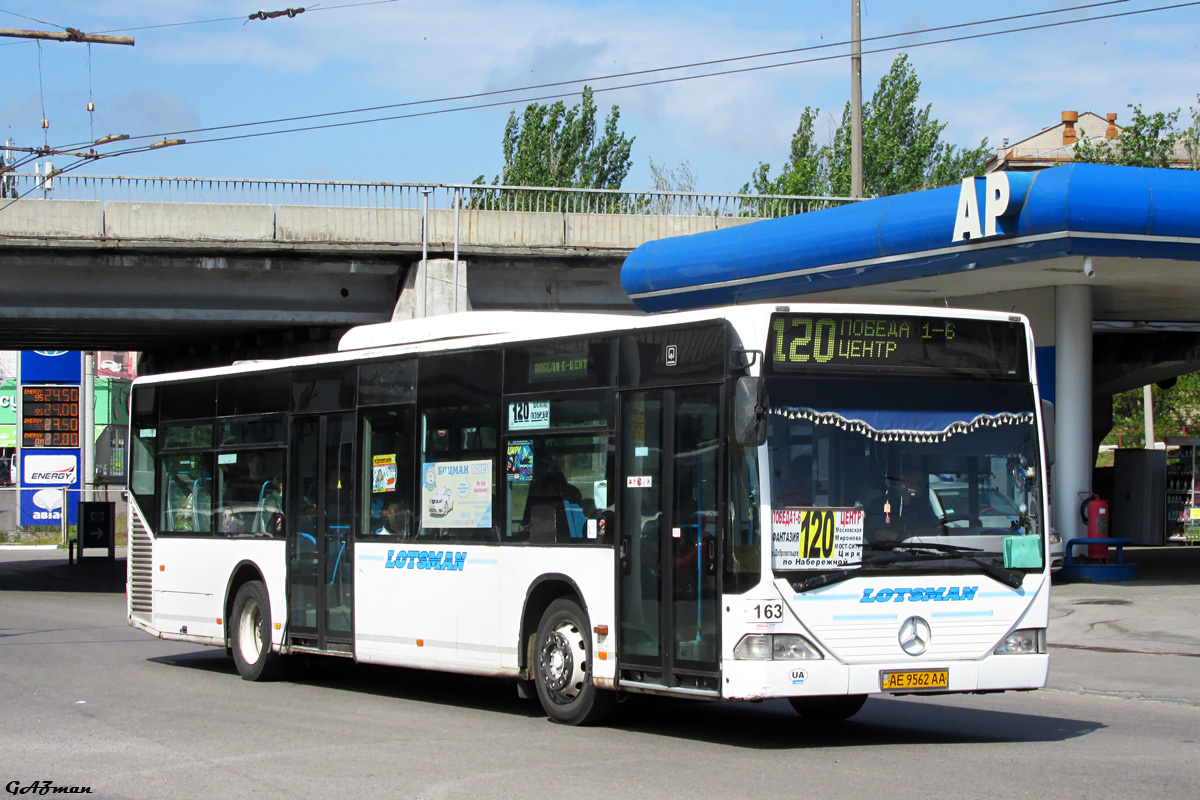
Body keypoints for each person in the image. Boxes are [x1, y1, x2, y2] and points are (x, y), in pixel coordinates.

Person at [866, 456, 942, 542]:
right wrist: (905, 538)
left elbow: (936, 529)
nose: (922, 485)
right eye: (918, 481)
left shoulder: (923, 507)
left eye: (922, 481)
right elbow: (880, 534)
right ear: (902, 481)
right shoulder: (881, 505)